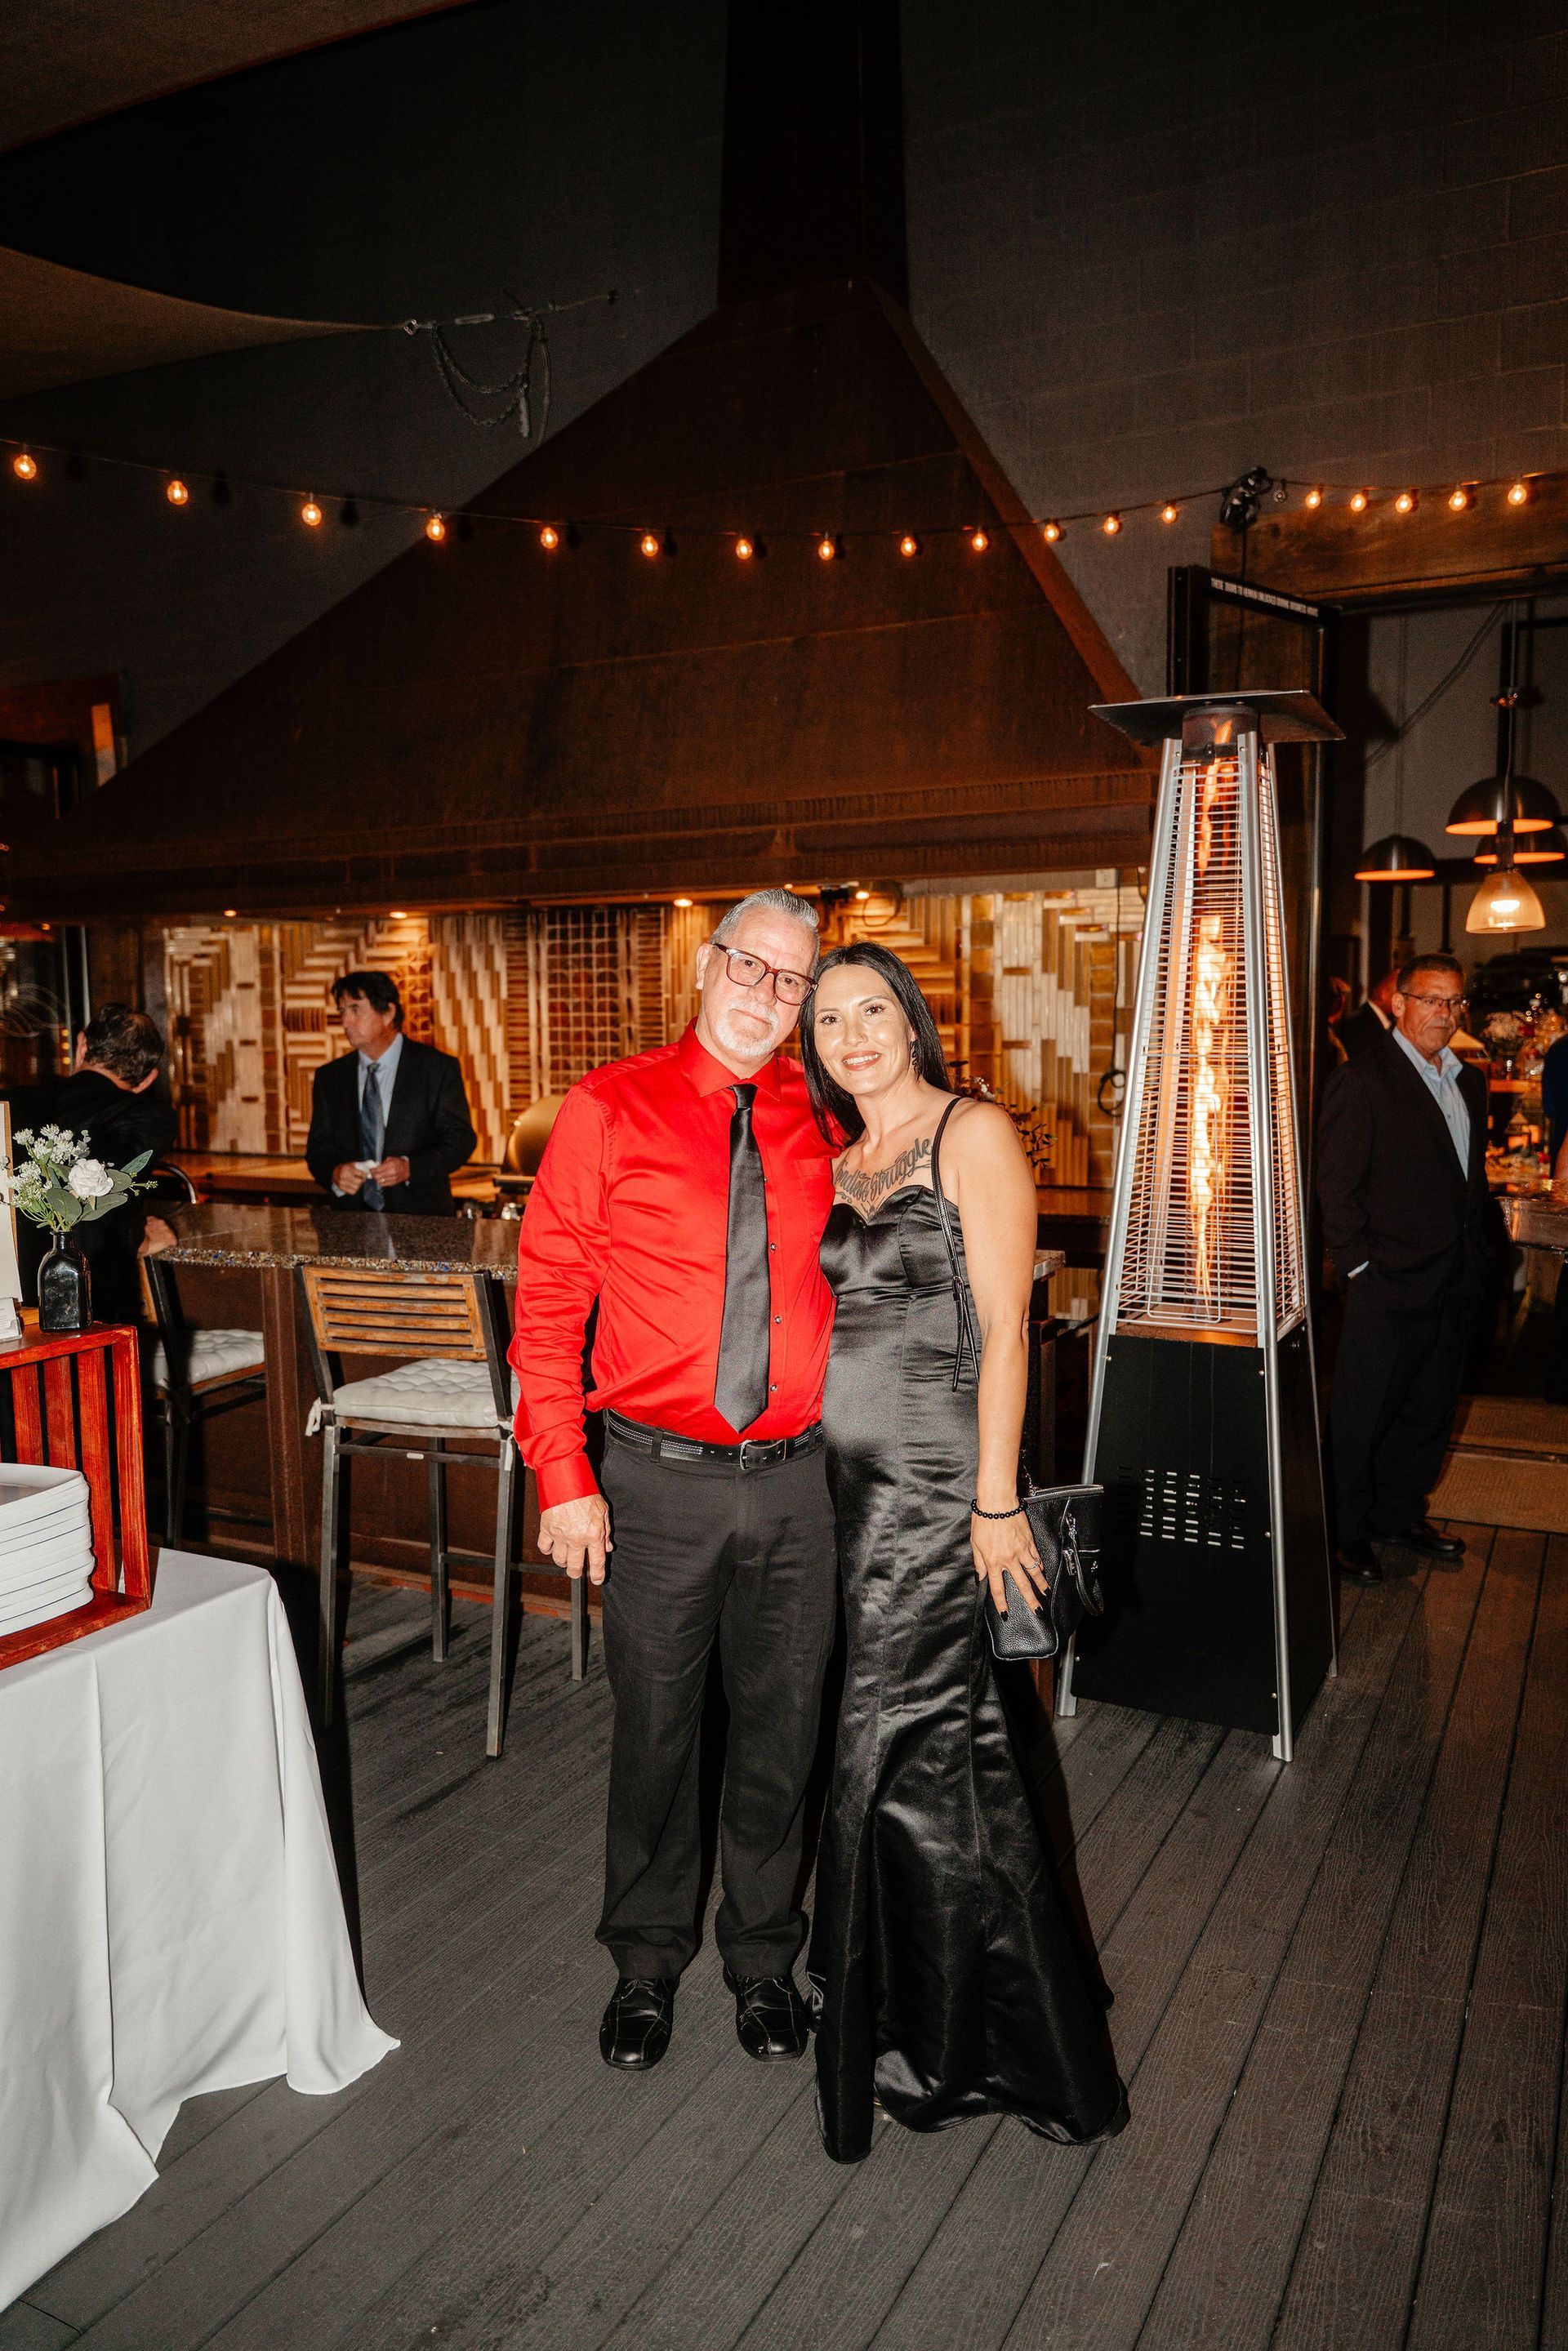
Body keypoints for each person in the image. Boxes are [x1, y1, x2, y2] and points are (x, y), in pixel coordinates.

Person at [801, 940, 1127, 2165]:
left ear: (913, 1020)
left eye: (872, 1009)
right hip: (853, 1491)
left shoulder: (970, 1133)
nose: (853, 1034)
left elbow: (1006, 1330)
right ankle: (973, 2014)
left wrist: (995, 1499)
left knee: (886, 1737)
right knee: (949, 1749)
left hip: (943, 1489)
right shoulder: (841, 1157)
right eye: (829, 1019)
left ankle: (923, 2031)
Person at [511, 890, 839, 2073]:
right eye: (751, 965)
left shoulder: (828, 1113)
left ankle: (763, 1954)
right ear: (708, 965)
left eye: (791, 978)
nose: (767, 992)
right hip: (652, 1480)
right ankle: (646, 1960)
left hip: (802, 1481)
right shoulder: (607, 1106)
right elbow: (547, 1302)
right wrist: (561, 1472)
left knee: (782, 1729)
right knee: (655, 1728)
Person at [1316, 952, 1494, 1585]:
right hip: (1386, 1281)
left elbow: (1467, 1180)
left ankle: (1399, 1514)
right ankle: (1345, 1529)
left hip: (1455, 1278)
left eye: (1453, 1003)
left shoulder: (1469, 1081)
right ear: (1398, 1002)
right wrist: (1360, 1268)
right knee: (1365, 1410)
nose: (1443, 1015)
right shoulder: (1363, 1080)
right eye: (1430, 1000)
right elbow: (1335, 1188)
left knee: (1430, 1407)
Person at [44, 1004, 176, 1325]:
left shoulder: (16, 1101)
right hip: (89, 1304)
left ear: (81, 1046)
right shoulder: (147, 1116)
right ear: (148, 1079)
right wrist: (144, 1240)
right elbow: (105, 1199)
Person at [305, 971, 475, 1216]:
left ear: (388, 1013)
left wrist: (410, 1168)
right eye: (342, 1012)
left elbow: (461, 1140)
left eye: (356, 1010)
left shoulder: (436, 1068)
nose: (345, 1022)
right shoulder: (330, 1077)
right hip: (349, 1224)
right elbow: (318, 1151)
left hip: (422, 1222)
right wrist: (334, 1172)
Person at [1338, 967, 1399, 1059]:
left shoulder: (1392, 1026)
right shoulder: (1358, 1026)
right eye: (1401, 995)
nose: (1405, 1002)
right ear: (1383, 994)